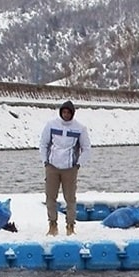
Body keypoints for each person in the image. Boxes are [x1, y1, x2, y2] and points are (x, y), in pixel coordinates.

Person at [39, 100, 92, 237]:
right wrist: (45, 161)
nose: (66, 114)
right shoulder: (51, 125)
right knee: (50, 197)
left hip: (70, 168)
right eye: (64, 112)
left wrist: (78, 164)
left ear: (72, 114)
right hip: (52, 167)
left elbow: (86, 148)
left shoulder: (80, 128)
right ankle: (52, 224)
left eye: (69, 112)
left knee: (70, 198)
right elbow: (43, 144)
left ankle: (70, 225)